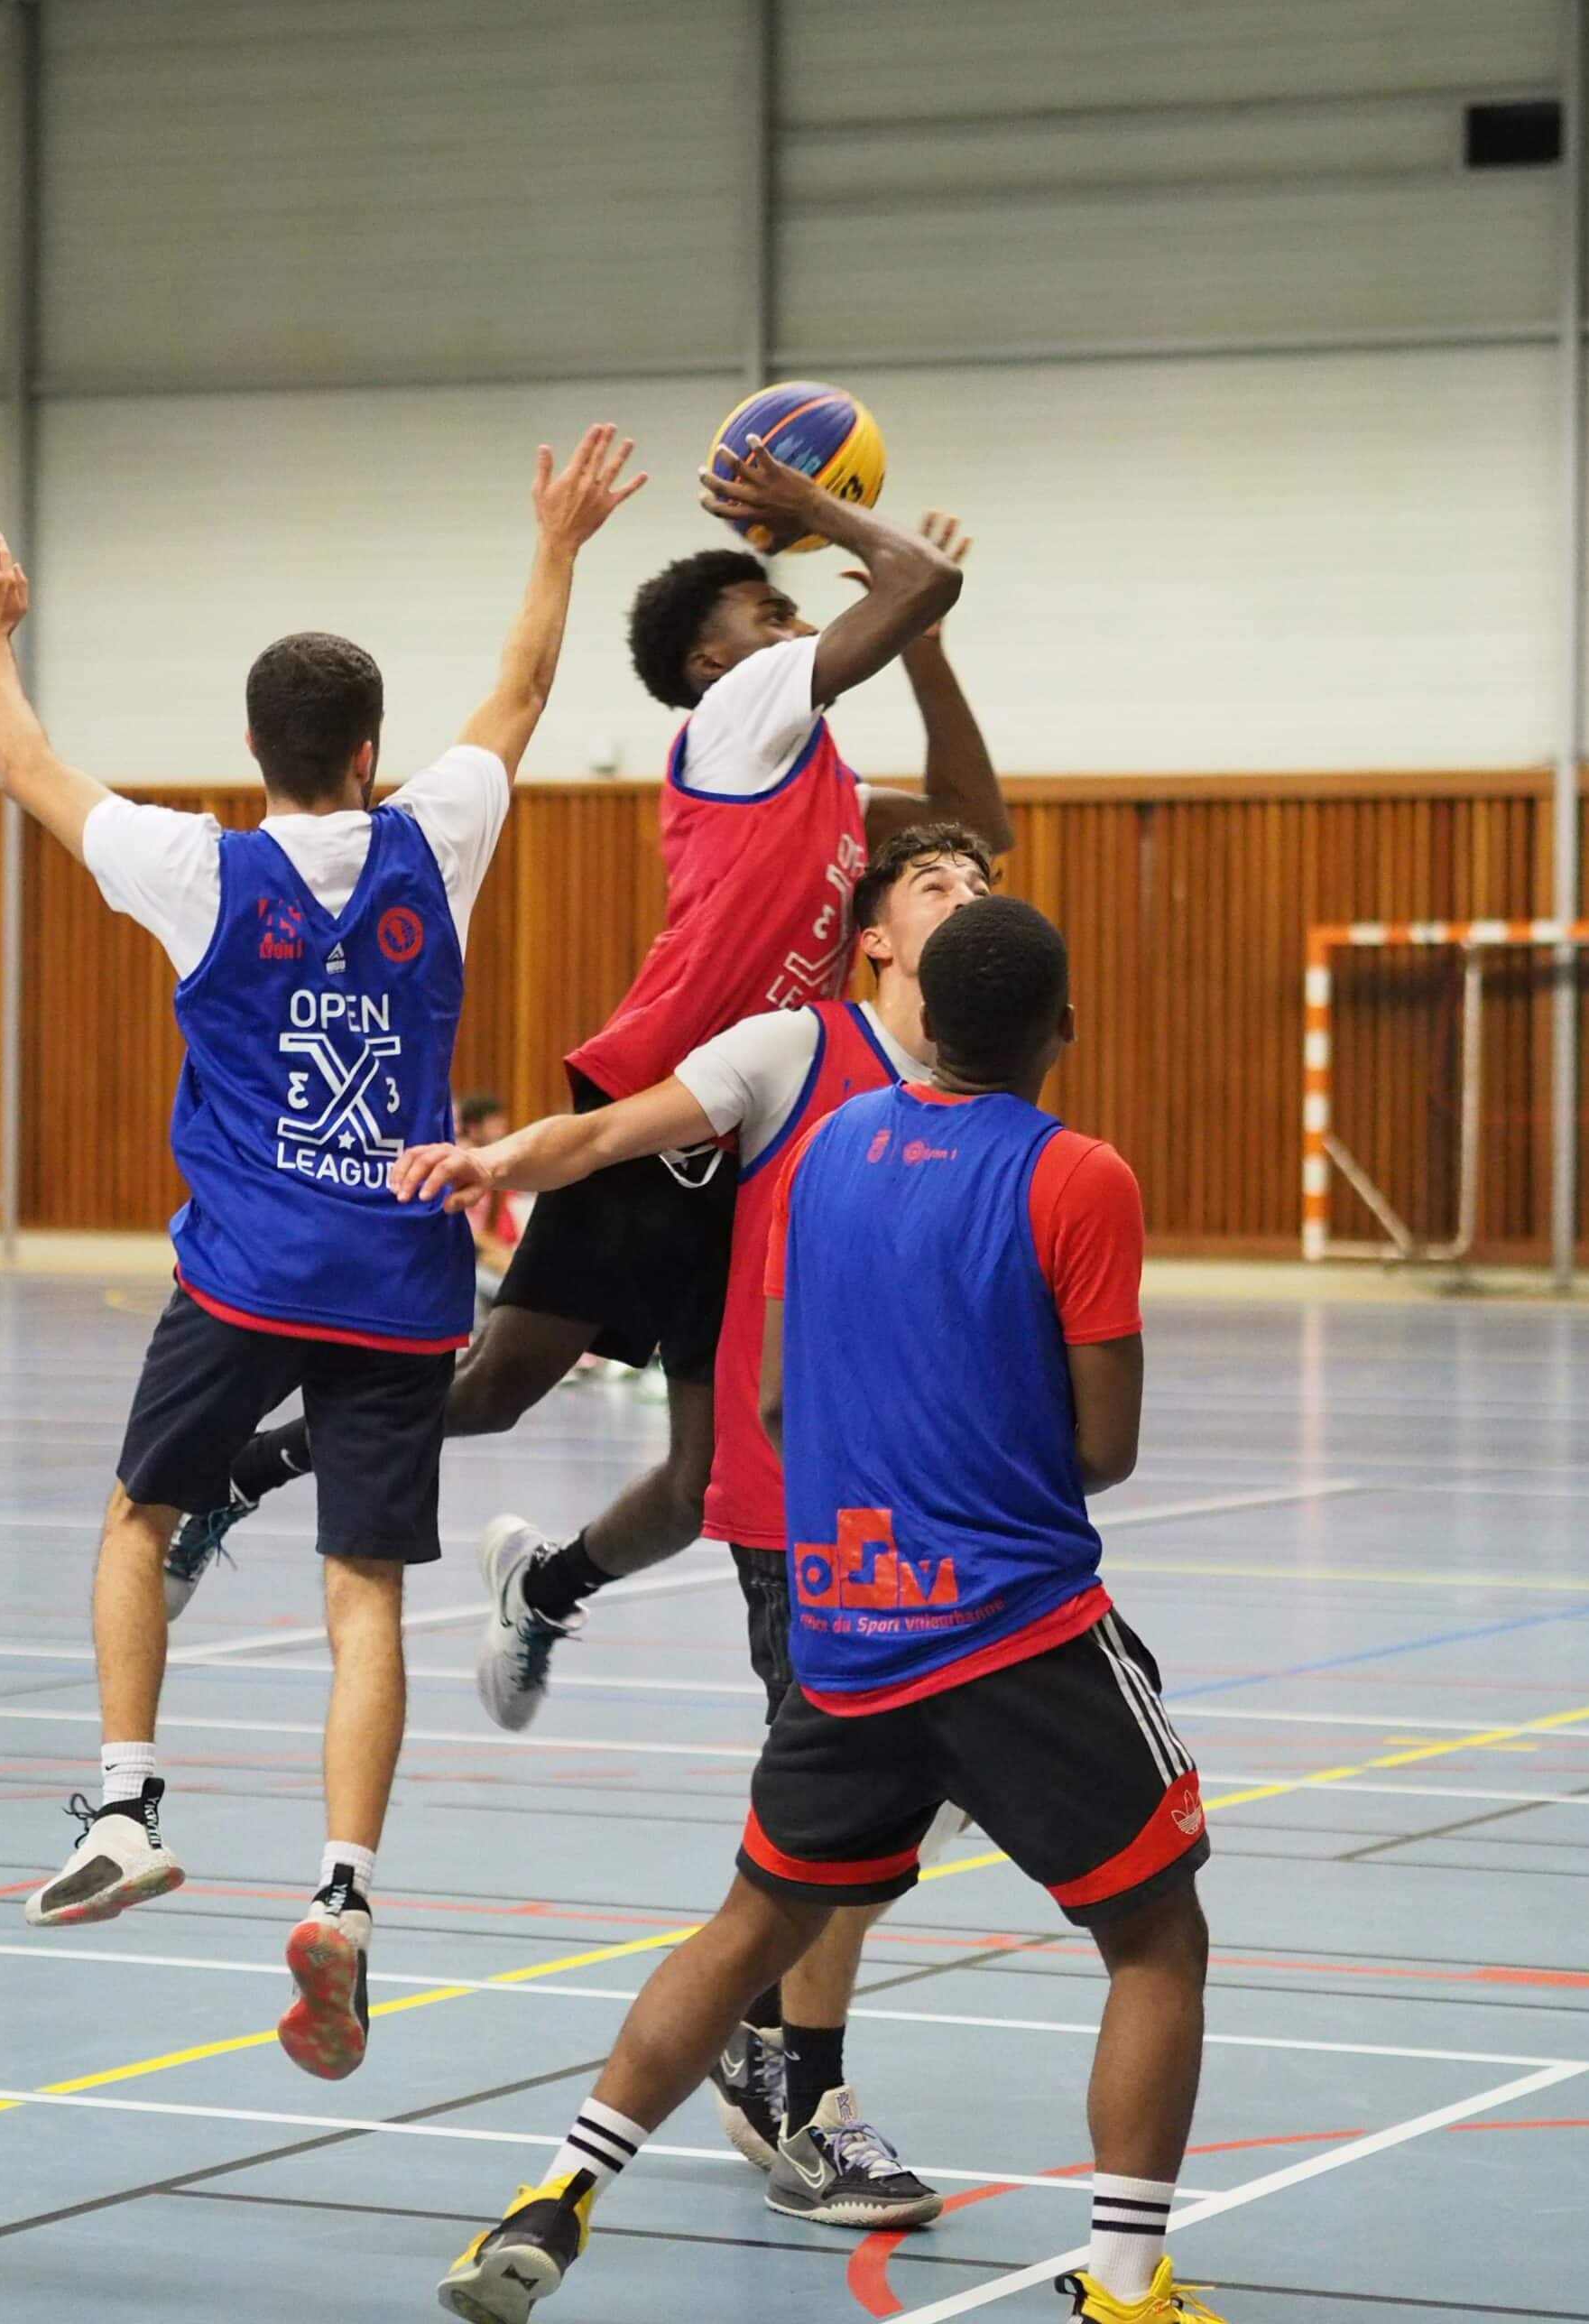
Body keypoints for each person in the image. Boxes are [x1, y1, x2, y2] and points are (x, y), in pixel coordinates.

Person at [0, 423, 644, 2085]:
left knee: (140, 1519)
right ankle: (342, 1895)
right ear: (372, 753)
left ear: (254, 750)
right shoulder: (438, 840)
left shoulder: (199, 869)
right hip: (402, 1289)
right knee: (362, 1598)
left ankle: (126, 1809)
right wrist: (559, 541)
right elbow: (524, 690)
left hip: (246, 1280)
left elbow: (30, 769)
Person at [435, 897, 1219, 2324]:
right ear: (1062, 1028)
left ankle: (556, 2194)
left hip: (847, 1625)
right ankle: (1123, 2285)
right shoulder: (1079, 1175)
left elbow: (782, 1404)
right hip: (1016, 1630)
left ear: (930, 1016)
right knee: (1158, 1939)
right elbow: (1104, 1449)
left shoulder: (834, 1151)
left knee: (750, 1924)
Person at [177, 442, 1012, 1689]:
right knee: (495, 1389)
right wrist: (813, 508)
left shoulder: (831, 783)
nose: (792, 621)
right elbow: (922, 576)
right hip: (655, 1110)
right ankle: (242, 1471)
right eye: (766, 609)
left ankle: (546, 1587)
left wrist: (928, 653)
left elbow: (980, 825)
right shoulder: (738, 717)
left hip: (758, 1149)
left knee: (704, 1477)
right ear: (711, 662)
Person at [396, 819, 993, 2228]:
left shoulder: (987, 1090)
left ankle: (764, 2040)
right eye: (935, 883)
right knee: (848, 1815)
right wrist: (501, 1161)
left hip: (940, 1509)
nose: (968, 896)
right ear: (876, 938)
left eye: (983, 886)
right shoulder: (796, 1048)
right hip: (800, 1507)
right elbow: (615, 1128)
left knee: (924, 1794)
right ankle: (803, 2102)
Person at [456, 1092, 522, 1316]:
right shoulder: (462, 1163)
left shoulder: (493, 1165)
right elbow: (469, 1233)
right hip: (471, 1257)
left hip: (493, 1252)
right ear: (474, 1129)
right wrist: (506, 1258)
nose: (502, 1131)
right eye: (495, 1125)